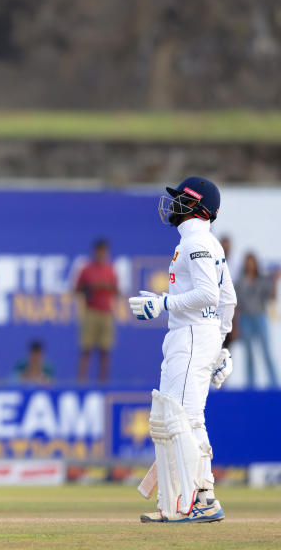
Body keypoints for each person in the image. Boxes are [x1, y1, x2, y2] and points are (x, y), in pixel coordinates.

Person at [128, 176, 237, 523]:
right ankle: (203, 498)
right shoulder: (205, 243)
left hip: (190, 335)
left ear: (197, 205)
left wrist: (163, 303)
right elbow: (228, 300)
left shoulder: (197, 243)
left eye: (180, 199)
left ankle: (185, 504)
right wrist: (219, 346)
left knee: (179, 421)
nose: (173, 205)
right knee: (189, 419)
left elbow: (209, 295)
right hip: (196, 336)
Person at [75, 238, 119, 383]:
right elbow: (77, 290)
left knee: (105, 350)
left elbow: (118, 292)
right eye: (99, 251)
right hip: (90, 312)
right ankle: (82, 382)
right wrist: (92, 287)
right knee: (86, 348)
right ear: (95, 252)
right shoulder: (87, 270)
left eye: (104, 251)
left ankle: (103, 383)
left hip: (106, 313)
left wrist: (106, 287)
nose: (101, 253)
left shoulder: (110, 270)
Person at [234, 252, 279, 387]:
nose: (250, 265)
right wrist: (235, 326)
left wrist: (275, 282)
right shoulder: (240, 282)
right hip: (245, 318)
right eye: (248, 262)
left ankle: (274, 384)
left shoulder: (262, 280)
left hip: (260, 317)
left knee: (266, 351)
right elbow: (236, 305)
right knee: (249, 354)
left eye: (252, 262)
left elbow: (271, 298)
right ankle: (250, 385)